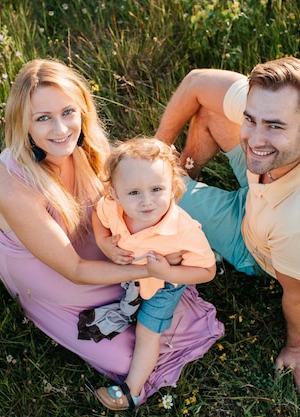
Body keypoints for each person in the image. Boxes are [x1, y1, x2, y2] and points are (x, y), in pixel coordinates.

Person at [0, 59, 224, 406]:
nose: (60, 128)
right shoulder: (13, 186)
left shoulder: (87, 146)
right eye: (42, 118)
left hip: (99, 247)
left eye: (68, 112)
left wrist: (121, 244)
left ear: (82, 109)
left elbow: (116, 200)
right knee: (128, 357)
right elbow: (75, 271)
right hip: (57, 275)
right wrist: (155, 268)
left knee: (157, 318)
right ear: (24, 125)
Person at [155, 57, 300, 399]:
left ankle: (178, 200)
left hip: (258, 242)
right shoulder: (273, 113)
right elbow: (196, 82)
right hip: (262, 197)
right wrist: (156, 153)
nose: (254, 138)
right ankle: (178, 174)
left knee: (144, 196)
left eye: (274, 127)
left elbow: (299, 296)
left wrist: (298, 346)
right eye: (250, 119)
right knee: (209, 112)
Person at [87, 137, 217, 410]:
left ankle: (132, 391)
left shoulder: (184, 231)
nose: (146, 202)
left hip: (164, 285)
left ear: (174, 188)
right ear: (116, 193)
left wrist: (169, 271)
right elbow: (98, 215)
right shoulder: (113, 208)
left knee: (147, 331)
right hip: (132, 274)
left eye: (157, 189)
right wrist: (102, 241)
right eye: (134, 192)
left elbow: (207, 271)